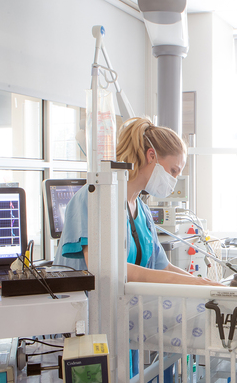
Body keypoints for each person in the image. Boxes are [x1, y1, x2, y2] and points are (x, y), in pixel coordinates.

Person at [54, 117, 221, 286]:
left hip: (121, 308)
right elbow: (104, 268)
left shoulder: (142, 212)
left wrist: (204, 286)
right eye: (173, 171)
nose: (174, 181)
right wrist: (196, 284)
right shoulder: (94, 198)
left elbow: (163, 267)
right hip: (82, 309)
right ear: (151, 156)